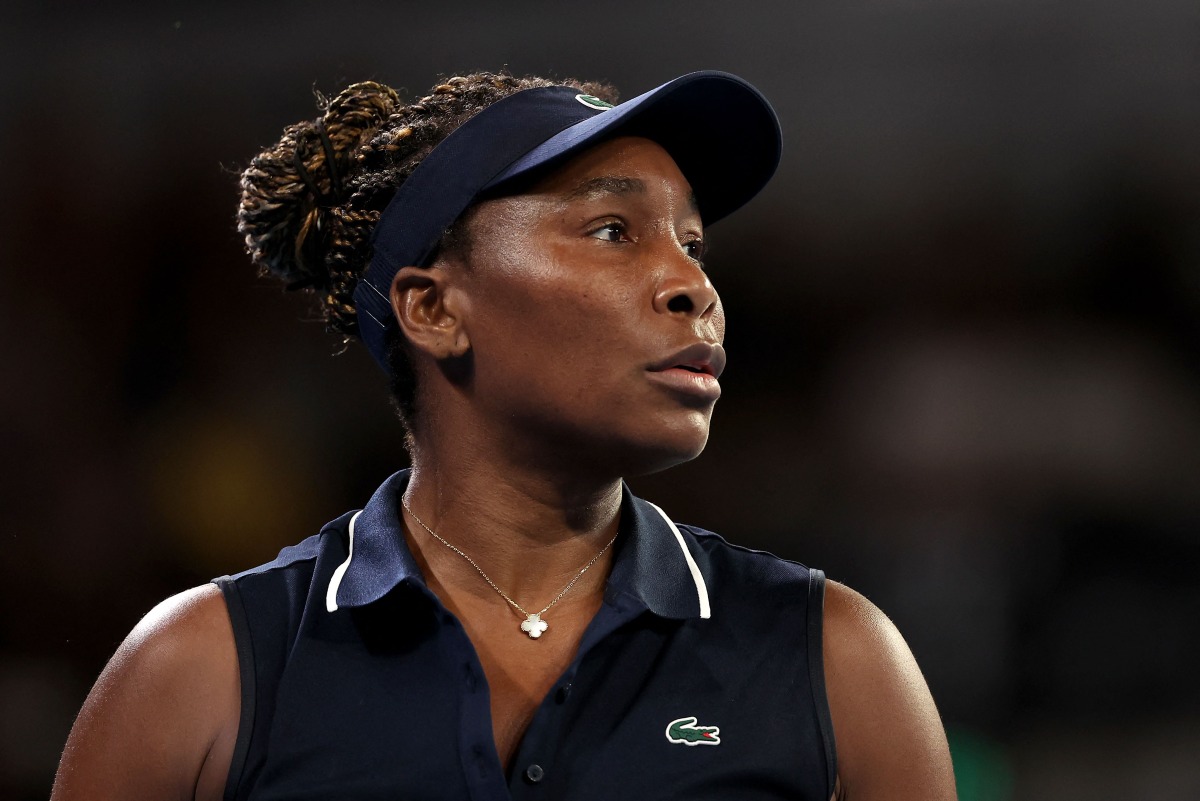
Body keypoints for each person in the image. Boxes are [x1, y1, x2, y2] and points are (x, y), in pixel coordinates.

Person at [52, 70, 957, 800]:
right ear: (434, 308)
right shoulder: (199, 669)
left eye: (692, 243)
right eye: (613, 230)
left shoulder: (837, 660)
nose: (694, 286)